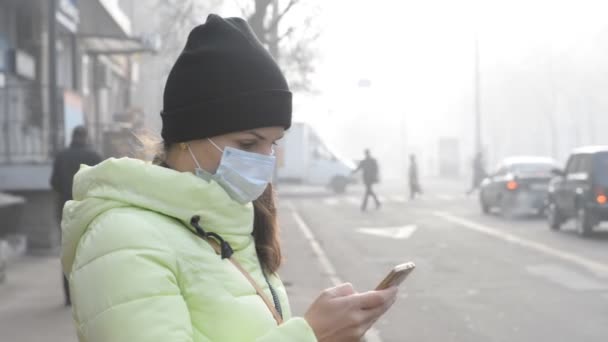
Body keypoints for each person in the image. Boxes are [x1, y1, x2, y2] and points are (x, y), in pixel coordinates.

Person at [61, 15, 397, 341]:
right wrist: (311, 336)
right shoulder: (123, 239)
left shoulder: (226, 224)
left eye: (273, 143)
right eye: (248, 143)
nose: (265, 160)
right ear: (186, 137)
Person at [50, 125, 102, 306]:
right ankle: (87, 294)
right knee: (90, 251)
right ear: (86, 137)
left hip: (65, 209)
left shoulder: (61, 156)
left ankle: (68, 297)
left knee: (68, 251)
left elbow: (54, 182)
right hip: (89, 208)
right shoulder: (94, 156)